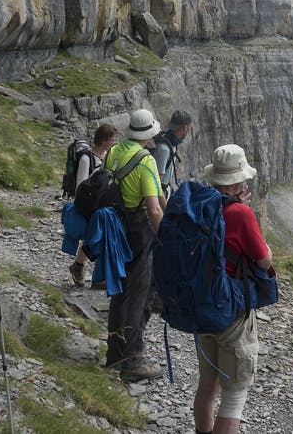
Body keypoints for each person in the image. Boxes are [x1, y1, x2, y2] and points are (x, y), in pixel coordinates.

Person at [193, 144, 271, 434]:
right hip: (230, 311)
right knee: (234, 397)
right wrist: (244, 212)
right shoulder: (241, 213)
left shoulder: (198, 204)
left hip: (200, 306)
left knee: (207, 386)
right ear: (238, 183)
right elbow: (263, 261)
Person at [104, 108, 165, 381]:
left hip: (116, 229)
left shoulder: (114, 152)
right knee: (139, 294)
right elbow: (154, 208)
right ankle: (133, 360)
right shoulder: (146, 160)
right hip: (139, 232)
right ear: (149, 134)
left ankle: (114, 354)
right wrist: (165, 237)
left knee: (119, 292)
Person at [69, 122, 118, 286]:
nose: (114, 143)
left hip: (102, 204)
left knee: (97, 237)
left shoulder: (109, 156)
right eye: (111, 140)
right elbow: (80, 186)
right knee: (96, 237)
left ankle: (80, 267)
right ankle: (93, 274)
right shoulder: (86, 158)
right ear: (103, 139)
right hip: (89, 205)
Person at [152, 109, 193, 199]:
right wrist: (164, 206)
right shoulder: (164, 148)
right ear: (185, 127)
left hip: (165, 190)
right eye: (189, 128)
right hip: (160, 195)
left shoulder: (170, 142)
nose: (188, 131)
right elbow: (156, 184)